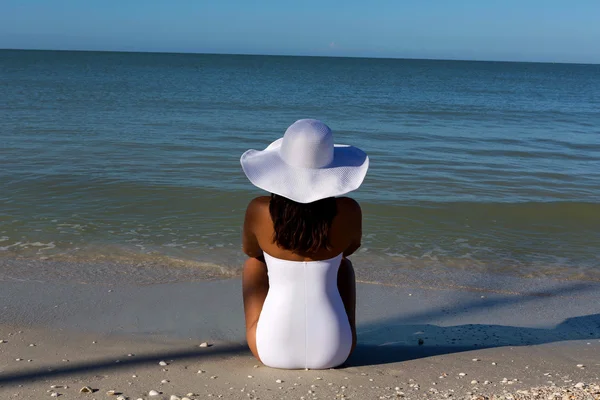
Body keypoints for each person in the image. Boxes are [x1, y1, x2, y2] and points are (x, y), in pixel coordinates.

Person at [240, 119, 369, 370]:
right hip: (337, 351)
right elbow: (350, 249)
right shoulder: (349, 210)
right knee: (343, 265)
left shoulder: (259, 209)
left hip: (270, 351)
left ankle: (265, 329)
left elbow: (251, 251)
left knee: (253, 264)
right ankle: (345, 329)